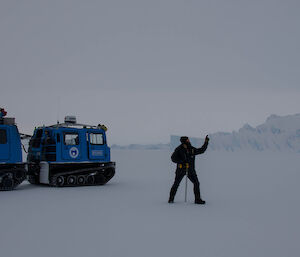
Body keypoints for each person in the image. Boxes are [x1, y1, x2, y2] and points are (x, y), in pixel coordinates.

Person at [169, 135, 209, 204]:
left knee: (196, 183)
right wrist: (182, 162)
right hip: (181, 170)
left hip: (190, 170)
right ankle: (171, 199)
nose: (189, 141)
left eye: (188, 139)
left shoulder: (191, 149)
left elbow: (201, 150)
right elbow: (173, 158)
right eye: (187, 140)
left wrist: (206, 142)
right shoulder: (179, 149)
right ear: (184, 141)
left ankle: (197, 199)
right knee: (176, 184)